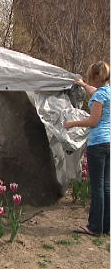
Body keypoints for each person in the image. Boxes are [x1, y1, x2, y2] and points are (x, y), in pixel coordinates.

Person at [64, 61, 110, 236]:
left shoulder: (99, 97)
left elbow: (93, 121)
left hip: (97, 144)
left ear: (98, 77)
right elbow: (93, 91)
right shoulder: (107, 91)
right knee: (106, 185)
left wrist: (72, 123)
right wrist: (82, 84)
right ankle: (106, 226)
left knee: (97, 187)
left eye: (92, 77)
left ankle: (94, 227)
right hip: (108, 143)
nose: (90, 79)